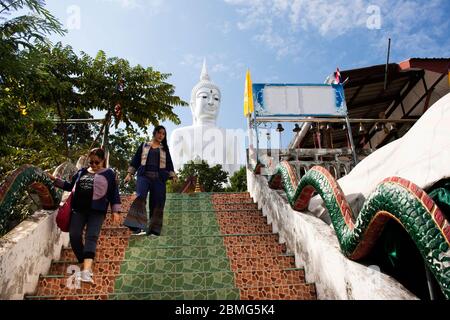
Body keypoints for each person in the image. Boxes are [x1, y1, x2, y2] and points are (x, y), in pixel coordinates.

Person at [48, 148, 121, 284]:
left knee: (91, 237)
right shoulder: (81, 172)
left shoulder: (109, 174)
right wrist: (55, 180)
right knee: (74, 235)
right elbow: (70, 186)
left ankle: (86, 271)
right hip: (78, 209)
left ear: (103, 161)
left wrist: (115, 211)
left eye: (96, 162)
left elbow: (113, 193)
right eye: (91, 162)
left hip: (97, 211)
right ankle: (84, 260)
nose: (93, 165)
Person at [124, 125, 177, 236]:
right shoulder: (144, 145)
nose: (161, 136)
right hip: (144, 176)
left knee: (158, 202)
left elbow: (169, 164)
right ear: (154, 133)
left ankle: (154, 230)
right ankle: (137, 227)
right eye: (159, 133)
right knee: (140, 197)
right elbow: (135, 160)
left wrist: (173, 176)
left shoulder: (164, 149)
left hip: (159, 178)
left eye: (163, 134)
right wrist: (129, 175)